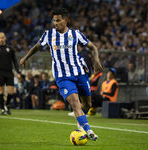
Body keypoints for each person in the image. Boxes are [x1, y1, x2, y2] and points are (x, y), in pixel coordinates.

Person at [20, 7, 102, 141]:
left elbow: (93, 47)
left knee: (87, 104)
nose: (56, 23)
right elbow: (36, 47)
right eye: (54, 21)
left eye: (58, 21)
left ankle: (80, 120)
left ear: (66, 21)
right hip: (62, 76)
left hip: (80, 73)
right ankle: (88, 130)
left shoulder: (76, 34)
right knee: (75, 102)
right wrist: (25, 58)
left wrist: (97, 60)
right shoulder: (49, 35)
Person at [0, 32, 21, 115]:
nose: (1, 39)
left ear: (5, 38)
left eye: (2, 37)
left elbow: (15, 61)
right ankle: (3, 109)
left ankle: (6, 104)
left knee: (11, 92)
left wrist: (18, 72)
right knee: (1, 91)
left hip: (9, 72)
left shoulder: (10, 49)